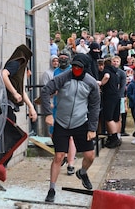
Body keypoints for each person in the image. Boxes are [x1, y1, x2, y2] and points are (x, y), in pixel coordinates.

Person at [0, 44, 37, 191]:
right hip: (5, 107)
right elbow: (3, 74)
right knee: (10, 142)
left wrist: (31, 107)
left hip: (7, 108)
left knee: (7, 144)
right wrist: (14, 93)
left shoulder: (18, 68)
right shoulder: (16, 63)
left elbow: (21, 91)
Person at [41, 59, 100, 202]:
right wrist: (48, 113)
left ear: (84, 68)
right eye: (74, 67)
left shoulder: (91, 83)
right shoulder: (63, 77)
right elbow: (45, 91)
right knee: (59, 156)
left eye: (79, 67)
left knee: (90, 156)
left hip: (81, 123)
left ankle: (83, 172)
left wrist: (92, 128)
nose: (75, 69)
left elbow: (94, 107)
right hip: (61, 122)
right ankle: (51, 189)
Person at [98, 57, 121, 148]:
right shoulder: (115, 73)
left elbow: (106, 76)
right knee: (116, 118)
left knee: (108, 117)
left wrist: (101, 83)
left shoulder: (106, 71)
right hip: (116, 96)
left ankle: (114, 137)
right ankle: (115, 137)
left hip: (109, 97)